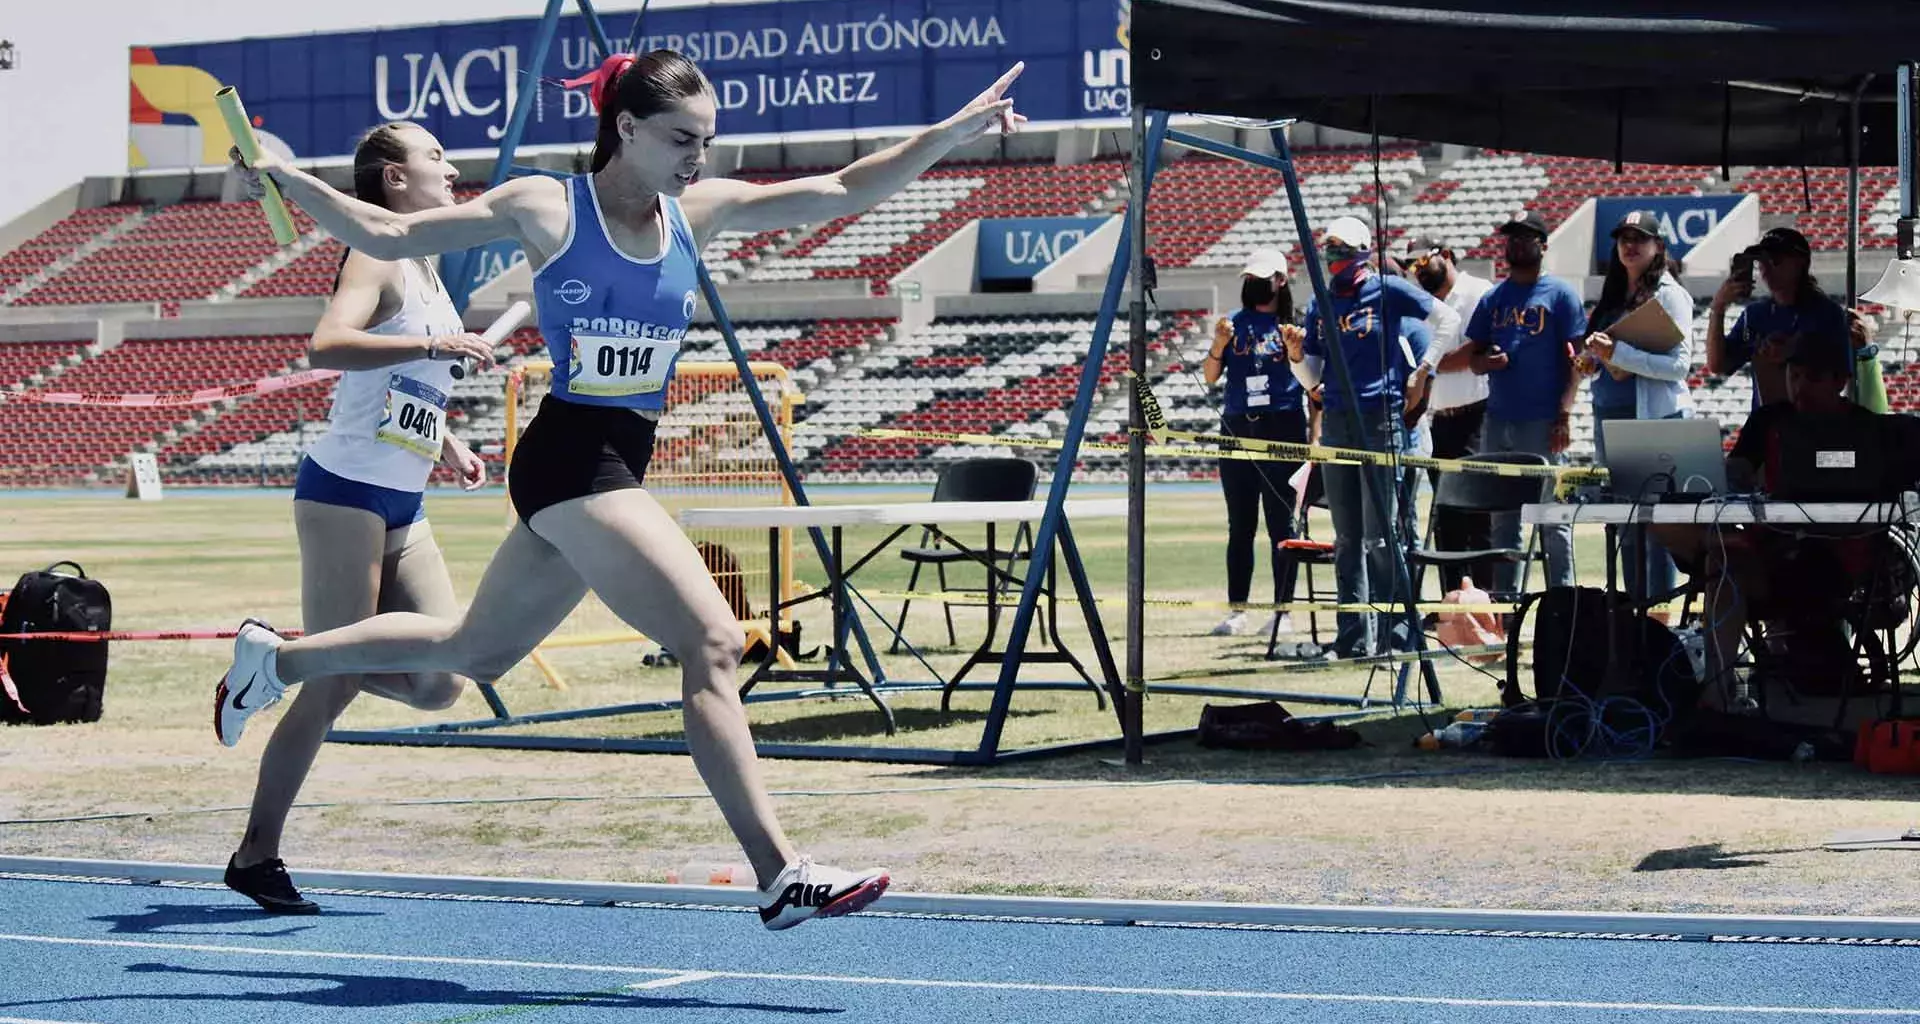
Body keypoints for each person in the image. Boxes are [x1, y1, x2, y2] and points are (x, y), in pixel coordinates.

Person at [214, 50, 1029, 931]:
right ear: (626, 128)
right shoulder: (545, 204)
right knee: (713, 638)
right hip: (570, 456)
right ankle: (779, 871)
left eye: (707, 141)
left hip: (616, 458)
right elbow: (394, 237)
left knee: (474, 652)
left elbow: (842, 190)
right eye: (682, 138)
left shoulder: (698, 214)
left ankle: (279, 658)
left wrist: (953, 131)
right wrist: (284, 174)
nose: (698, 158)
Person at [222, 122, 495, 914]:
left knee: (444, 676)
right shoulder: (375, 253)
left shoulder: (425, 264)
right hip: (344, 491)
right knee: (330, 690)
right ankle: (255, 853)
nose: (449, 168)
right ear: (391, 180)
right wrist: (441, 341)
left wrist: (447, 442)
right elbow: (328, 345)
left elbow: (410, 380)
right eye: (433, 157)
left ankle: (275, 660)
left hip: (404, 497)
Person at [1652, 338, 1901, 709]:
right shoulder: (1769, 419)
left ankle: (1716, 696)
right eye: (1793, 375)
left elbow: (1857, 474)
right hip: (1765, 552)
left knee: (1722, 564)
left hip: (1833, 564)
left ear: (1841, 381)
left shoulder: (1865, 428)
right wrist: (1727, 475)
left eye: (1811, 378)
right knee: (1662, 525)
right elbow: (1738, 470)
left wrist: (1821, 466)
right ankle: (1717, 694)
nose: (1799, 386)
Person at [1285, 216, 1460, 657]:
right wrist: (1294, 358)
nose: (1333, 258)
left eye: (1342, 250)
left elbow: (1447, 319)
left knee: (1382, 536)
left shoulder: (1387, 289)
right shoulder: (1320, 302)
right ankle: (1353, 638)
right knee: (1346, 537)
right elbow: (1314, 374)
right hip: (1340, 419)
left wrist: (1424, 371)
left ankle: (1397, 632)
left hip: (1382, 417)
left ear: (1362, 251)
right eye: (1330, 250)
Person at [1580, 210, 1696, 606]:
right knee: (1625, 528)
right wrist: (1591, 360)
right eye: (1623, 238)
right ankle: (1633, 617)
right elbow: (1608, 356)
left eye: (1640, 238)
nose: (1630, 245)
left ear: (1658, 247)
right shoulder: (1613, 295)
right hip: (1611, 419)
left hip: (1653, 423)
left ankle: (1657, 623)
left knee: (1655, 529)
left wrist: (1619, 353)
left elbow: (1680, 366)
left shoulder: (1670, 294)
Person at [1464, 209, 1583, 595]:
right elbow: (1473, 358)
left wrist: (1564, 414)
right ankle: (1505, 608)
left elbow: (1577, 362)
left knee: (1553, 519)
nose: (1516, 244)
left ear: (1543, 246)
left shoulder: (1561, 295)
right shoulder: (1494, 297)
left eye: (1526, 237)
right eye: (1511, 237)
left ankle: (1564, 602)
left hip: (1543, 420)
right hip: (1499, 420)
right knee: (1503, 520)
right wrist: (1488, 362)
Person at [1204, 249, 1308, 637]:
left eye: (1263, 278)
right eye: (1251, 278)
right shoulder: (1234, 324)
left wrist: (1295, 349)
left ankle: (1283, 611)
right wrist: (1218, 344)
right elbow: (1212, 375)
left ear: (1281, 281)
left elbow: (1309, 379)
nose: (1255, 285)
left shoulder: (1294, 325)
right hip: (1237, 426)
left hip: (1282, 425)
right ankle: (1238, 610)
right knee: (1240, 523)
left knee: (1282, 524)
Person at [1402, 237, 1495, 592]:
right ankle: (1451, 605)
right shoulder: (1422, 304)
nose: (1418, 272)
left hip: (1477, 414)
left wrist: (1429, 365)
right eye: (1412, 267)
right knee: (1447, 518)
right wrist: (1435, 364)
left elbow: (1477, 347)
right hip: (1440, 418)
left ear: (1445, 255)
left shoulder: (1477, 291)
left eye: (1422, 263)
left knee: (1481, 515)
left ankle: (1490, 607)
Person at [1704, 227, 1850, 407]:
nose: (1766, 268)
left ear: (1800, 263)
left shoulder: (1828, 314)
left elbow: (1841, 377)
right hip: (1768, 425)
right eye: (1761, 261)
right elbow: (1718, 366)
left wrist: (1796, 352)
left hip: (1814, 422)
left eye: (1775, 260)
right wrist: (1718, 308)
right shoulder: (1754, 315)